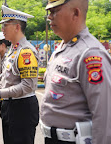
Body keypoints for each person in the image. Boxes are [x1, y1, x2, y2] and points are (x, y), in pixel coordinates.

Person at [40, 0, 111, 144]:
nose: (49, 17)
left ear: (75, 13)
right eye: (49, 12)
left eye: (55, 11)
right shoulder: (63, 47)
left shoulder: (90, 54)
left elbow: (104, 117)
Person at [0, 5, 39, 144]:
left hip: (22, 108)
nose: (2, 30)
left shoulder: (25, 52)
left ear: (17, 27)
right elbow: (6, 78)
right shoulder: (12, 50)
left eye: (5, 26)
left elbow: (27, 86)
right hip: (9, 106)